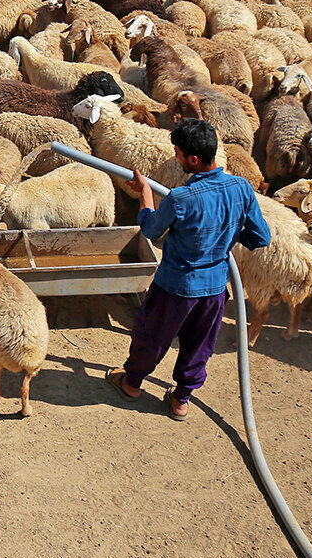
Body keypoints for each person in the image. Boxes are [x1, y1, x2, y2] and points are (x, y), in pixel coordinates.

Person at [105, 119, 271, 420]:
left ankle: (130, 384)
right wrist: (229, 234)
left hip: (175, 288)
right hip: (215, 289)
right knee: (199, 343)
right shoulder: (241, 188)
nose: (176, 157)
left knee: (152, 336)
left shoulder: (181, 198)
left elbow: (153, 230)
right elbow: (261, 236)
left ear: (193, 159)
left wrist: (144, 195)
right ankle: (181, 399)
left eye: (178, 153)